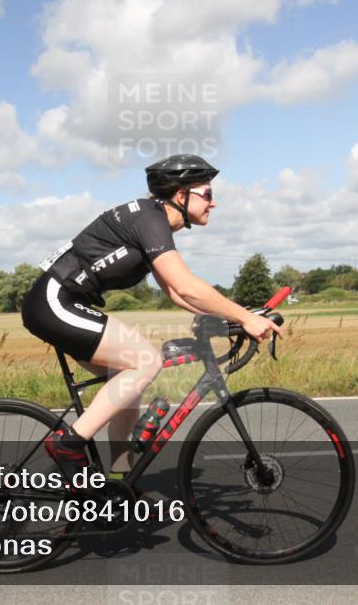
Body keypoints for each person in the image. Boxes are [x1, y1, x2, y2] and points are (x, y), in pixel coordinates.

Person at [20, 154, 282, 481]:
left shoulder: (152, 223)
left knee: (126, 379)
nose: (214, 204)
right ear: (180, 194)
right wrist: (245, 317)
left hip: (62, 303)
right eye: (208, 194)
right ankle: (68, 445)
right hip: (53, 301)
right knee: (144, 360)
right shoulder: (149, 220)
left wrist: (230, 319)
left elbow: (174, 291)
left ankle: (117, 482)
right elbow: (187, 286)